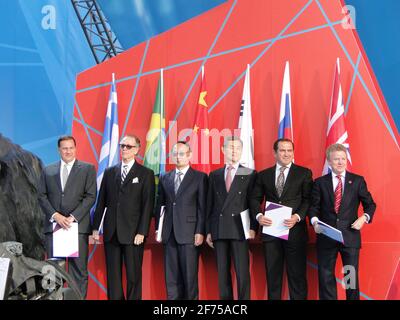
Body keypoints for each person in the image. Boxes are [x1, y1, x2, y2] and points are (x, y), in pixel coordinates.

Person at [309, 143, 376, 300]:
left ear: (347, 160)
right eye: (336, 159)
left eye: (343, 159)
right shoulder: (319, 183)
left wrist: (364, 218)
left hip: (350, 237)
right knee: (326, 278)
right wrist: (314, 222)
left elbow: (370, 204)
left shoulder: (357, 181)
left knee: (350, 278)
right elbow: (313, 208)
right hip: (326, 237)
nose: (340, 162)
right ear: (329, 162)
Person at [92, 135, 155, 300]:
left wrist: (142, 232)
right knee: (113, 277)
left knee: (133, 276)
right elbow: (102, 202)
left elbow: (147, 205)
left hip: (133, 233)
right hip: (111, 232)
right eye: (122, 146)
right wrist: (94, 227)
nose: (124, 149)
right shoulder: (110, 172)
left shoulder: (146, 173)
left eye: (128, 146)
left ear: (136, 150)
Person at [250, 138, 313, 300]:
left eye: (289, 150)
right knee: (273, 278)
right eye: (282, 150)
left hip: (295, 232)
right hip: (271, 232)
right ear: (275, 153)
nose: (286, 154)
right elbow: (254, 199)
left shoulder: (304, 173)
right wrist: (259, 216)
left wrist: (297, 217)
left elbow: (308, 200)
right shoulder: (263, 175)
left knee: (297, 277)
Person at [39, 135, 97, 299]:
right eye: (64, 148)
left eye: (71, 147)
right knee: (53, 271)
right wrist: (56, 215)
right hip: (54, 228)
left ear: (75, 148)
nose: (68, 151)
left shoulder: (87, 169)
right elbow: (41, 196)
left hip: (76, 228)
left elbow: (91, 196)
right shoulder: (48, 170)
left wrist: (73, 217)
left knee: (79, 272)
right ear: (59, 150)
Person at [206, 136, 257, 300]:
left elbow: (253, 202)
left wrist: (253, 227)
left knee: (242, 273)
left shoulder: (248, 173)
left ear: (242, 151)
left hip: (240, 228)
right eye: (230, 147)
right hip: (219, 228)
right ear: (223, 150)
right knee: (222, 274)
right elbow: (210, 204)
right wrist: (208, 231)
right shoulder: (214, 174)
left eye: (237, 148)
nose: (234, 151)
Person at [155, 141, 207, 300]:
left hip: (190, 234)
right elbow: (160, 205)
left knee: (189, 279)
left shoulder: (199, 177)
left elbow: (202, 207)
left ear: (189, 155)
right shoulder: (165, 177)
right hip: (169, 233)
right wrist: (159, 228)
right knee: (171, 279)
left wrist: (200, 230)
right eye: (175, 154)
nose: (178, 157)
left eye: (182, 154)